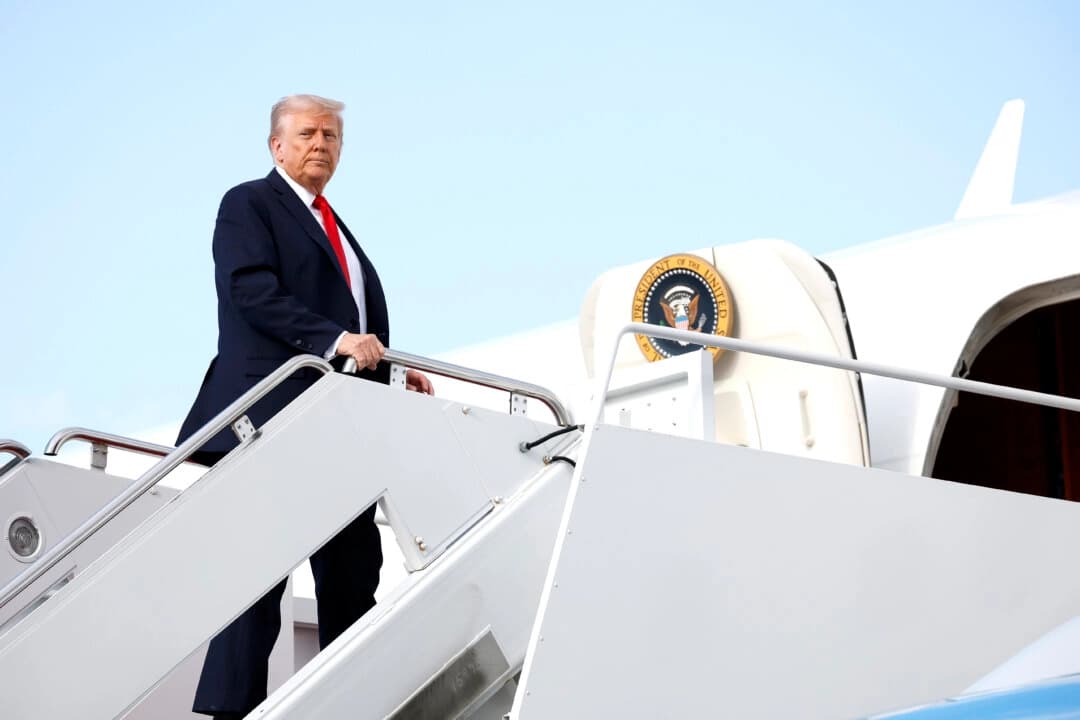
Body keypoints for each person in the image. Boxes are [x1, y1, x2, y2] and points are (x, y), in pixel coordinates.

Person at [176, 94, 433, 719]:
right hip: (268, 417)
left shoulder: (335, 225)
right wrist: (332, 341)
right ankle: (228, 712)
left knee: (353, 573)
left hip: (340, 426)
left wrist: (395, 370)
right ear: (277, 146)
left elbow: (356, 320)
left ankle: (352, 703)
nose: (322, 144)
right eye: (309, 134)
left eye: (332, 136)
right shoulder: (248, 204)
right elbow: (249, 289)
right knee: (259, 579)